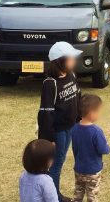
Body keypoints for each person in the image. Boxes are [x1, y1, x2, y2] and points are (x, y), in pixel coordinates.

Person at [38, 41, 82, 202]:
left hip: (70, 127)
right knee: (55, 165)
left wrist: (79, 118)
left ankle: (52, 193)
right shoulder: (50, 84)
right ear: (60, 60)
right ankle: (54, 196)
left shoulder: (71, 75)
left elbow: (77, 96)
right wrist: (48, 140)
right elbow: (46, 113)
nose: (74, 61)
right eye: (71, 58)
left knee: (60, 160)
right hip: (57, 131)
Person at [71, 94, 110, 202]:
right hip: (93, 171)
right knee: (92, 196)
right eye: (98, 111)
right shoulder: (96, 131)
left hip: (79, 168)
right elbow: (104, 150)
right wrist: (107, 145)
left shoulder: (74, 128)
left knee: (78, 194)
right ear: (92, 113)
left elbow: (75, 147)